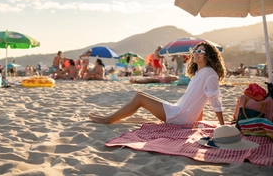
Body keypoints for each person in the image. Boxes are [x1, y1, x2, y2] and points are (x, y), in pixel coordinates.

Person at [89, 41, 226, 126]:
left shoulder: (209, 73)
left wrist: (223, 125)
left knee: (139, 98)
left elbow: (214, 99)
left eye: (200, 51)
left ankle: (107, 120)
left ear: (208, 56)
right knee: (140, 94)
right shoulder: (200, 73)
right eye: (195, 50)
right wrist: (196, 122)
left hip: (180, 116)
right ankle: (108, 118)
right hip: (181, 113)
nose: (196, 53)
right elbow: (199, 100)